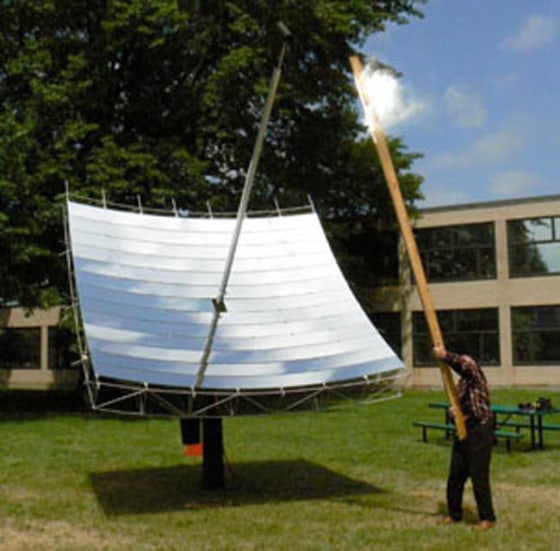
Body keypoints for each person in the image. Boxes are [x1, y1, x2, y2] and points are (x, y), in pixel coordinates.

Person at [433, 344, 497, 532]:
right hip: (464, 431)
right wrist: (455, 412)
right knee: (455, 477)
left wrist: (444, 355)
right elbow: (460, 410)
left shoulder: (475, 375)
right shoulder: (461, 386)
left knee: (479, 477)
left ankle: (488, 518)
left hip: (480, 430)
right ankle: (454, 514)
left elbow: (465, 365)